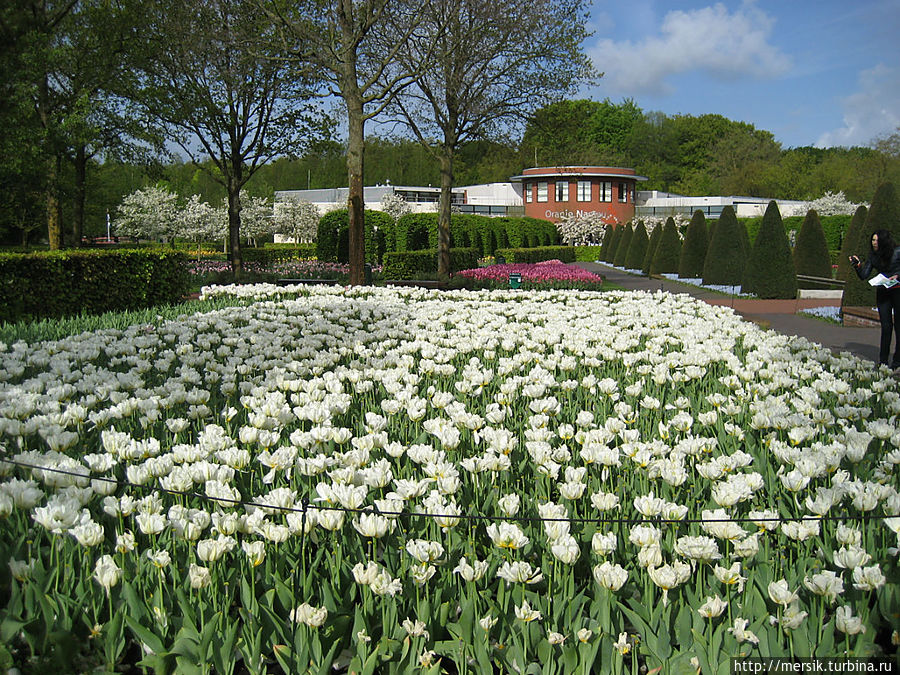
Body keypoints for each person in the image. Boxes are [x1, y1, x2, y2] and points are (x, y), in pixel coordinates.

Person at [850, 229, 900, 369]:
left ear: (884, 241)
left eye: (877, 240)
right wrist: (857, 265)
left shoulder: (897, 251)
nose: (874, 243)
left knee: (899, 327)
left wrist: (897, 276)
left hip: (897, 291)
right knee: (886, 327)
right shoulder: (873, 256)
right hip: (883, 292)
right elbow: (864, 275)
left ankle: (897, 361)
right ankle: (883, 361)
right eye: (873, 240)